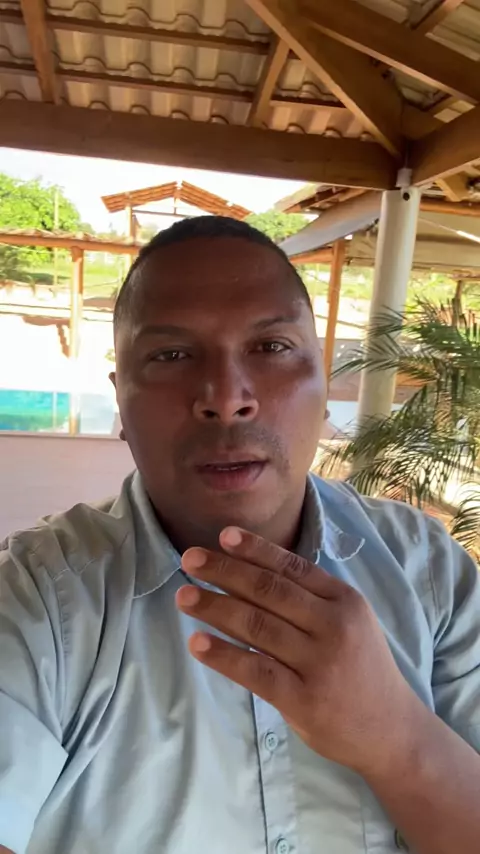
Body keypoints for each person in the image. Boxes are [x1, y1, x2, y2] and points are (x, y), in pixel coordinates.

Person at [0, 217, 479, 854]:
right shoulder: (37, 599)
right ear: (120, 404)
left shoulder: (429, 573)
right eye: (172, 355)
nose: (226, 398)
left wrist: (396, 738)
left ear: (322, 386)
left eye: (271, 346)